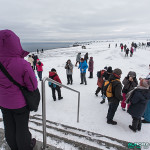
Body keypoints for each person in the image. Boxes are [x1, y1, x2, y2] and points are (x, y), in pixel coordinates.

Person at [0, 30, 37, 150]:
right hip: (19, 104)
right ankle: (25, 147)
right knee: (22, 128)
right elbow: (32, 86)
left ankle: (13, 147)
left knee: (9, 126)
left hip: (3, 102)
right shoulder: (22, 64)